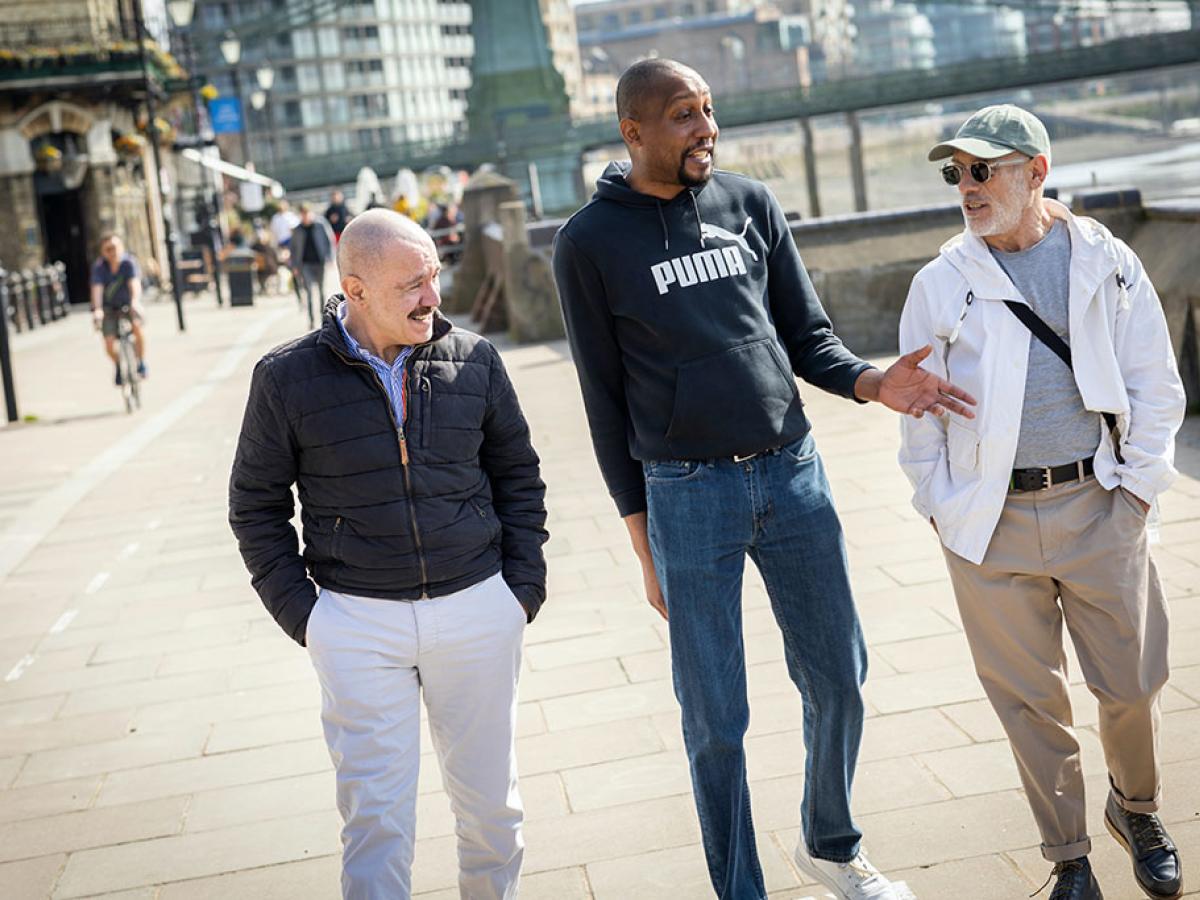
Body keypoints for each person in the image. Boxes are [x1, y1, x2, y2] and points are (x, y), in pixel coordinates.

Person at [552, 58, 974, 900]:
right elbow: (604, 407)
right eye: (683, 114)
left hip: (793, 476)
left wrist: (875, 383)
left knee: (839, 676)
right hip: (685, 494)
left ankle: (832, 843)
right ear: (634, 131)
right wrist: (643, 545)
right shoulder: (588, 243)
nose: (705, 127)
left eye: (709, 109)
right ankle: (739, 888)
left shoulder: (750, 205)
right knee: (715, 721)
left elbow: (808, 337)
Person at [897, 105, 1186, 900]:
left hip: (1099, 504)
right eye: (956, 172)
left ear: (1037, 172)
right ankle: (1070, 859)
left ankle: (1138, 808)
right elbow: (917, 413)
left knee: (1131, 685)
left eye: (983, 169)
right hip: (988, 530)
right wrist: (942, 508)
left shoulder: (1106, 259)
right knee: (1031, 705)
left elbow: (1155, 384)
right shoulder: (941, 282)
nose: (967, 186)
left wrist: (1134, 494)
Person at [229, 209, 548, 900]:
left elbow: (519, 476)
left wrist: (518, 592)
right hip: (358, 623)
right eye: (411, 284)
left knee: (495, 813)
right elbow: (255, 506)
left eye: (433, 275)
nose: (432, 296)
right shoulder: (285, 379)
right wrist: (310, 620)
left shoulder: (475, 359)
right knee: (376, 826)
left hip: (477, 608)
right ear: (356, 289)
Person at [89, 233, 146, 385]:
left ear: (121, 247)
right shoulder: (100, 267)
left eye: (115, 247)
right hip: (108, 309)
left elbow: (134, 283)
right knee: (108, 343)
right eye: (108, 249)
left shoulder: (128, 263)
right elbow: (97, 289)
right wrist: (98, 309)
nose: (112, 252)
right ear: (103, 252)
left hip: (128, 305)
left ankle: (140, 363)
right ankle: (119, 365)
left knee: (137, 329)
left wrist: (135, 301)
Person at [290, 203, 336, 327]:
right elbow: (293, 248)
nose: (305, 217)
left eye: (307, 214)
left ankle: (323, 318)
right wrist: (294, 266)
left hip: (319, 262)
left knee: (322, 291)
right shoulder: (297, 230)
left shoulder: (320, 225)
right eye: (303, 215)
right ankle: (311, 320)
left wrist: (330, 257)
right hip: (305, 264)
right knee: (309, 292)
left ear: (311, 214)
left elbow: (329, 240)